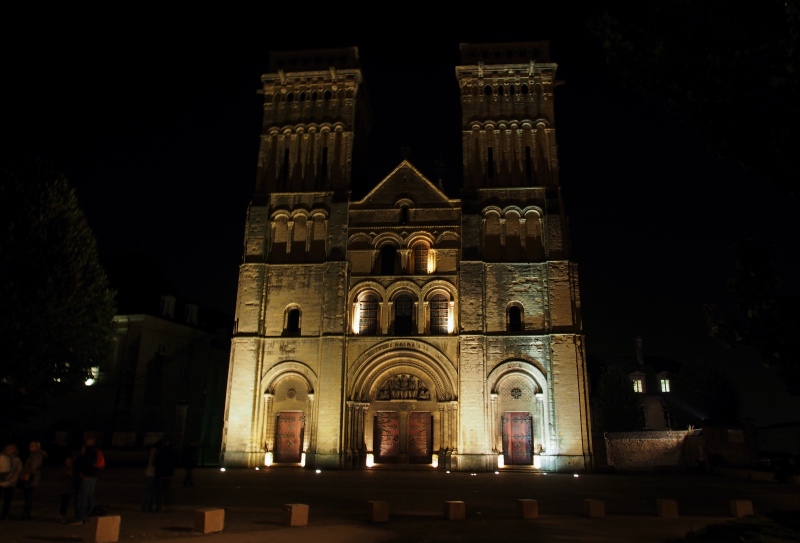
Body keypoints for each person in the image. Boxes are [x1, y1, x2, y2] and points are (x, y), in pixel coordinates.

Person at [70, 438, 101, 525]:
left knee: (83, 497)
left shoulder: (89, 451)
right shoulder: (96, 450)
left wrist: (84, 473)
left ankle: (80, 518)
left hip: (88, 476)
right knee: (90, 496)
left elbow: (86, 463)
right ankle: (90, 516)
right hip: (93, 476)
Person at [19, 440, 47, 519]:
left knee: (28, 496)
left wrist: (26, 473)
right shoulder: (33, 455)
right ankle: (26, 513)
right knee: (28, 496)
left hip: (31, 477)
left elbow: (33, 467)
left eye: (32, 446)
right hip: (32, 477)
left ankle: (26, 514)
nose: (30, 447)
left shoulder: (36, 455)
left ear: (37, 447)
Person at [0, 444, 23, 520]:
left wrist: (10, 480)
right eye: (7, 449)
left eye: (10, 449)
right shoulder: (2, 458)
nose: (8, 451)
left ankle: (5, 514)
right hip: (1, 481)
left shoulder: (16, 460)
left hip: (10, 482)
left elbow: (17, 471)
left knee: (7, 499)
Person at [153, 439, 176, 513]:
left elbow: (155, 462)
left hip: (160, 474)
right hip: (168, 474)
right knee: (167, 491)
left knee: (159, 491)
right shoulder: (172, 452)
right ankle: (168, 507)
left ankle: (158, 507)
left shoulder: (159, 451)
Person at [140, 440, 159, 512]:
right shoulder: (156, 452)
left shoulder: (149, 452)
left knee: (147, 492)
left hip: (148, 473)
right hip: (152, 474)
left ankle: (143, 507)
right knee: (150, 492)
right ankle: (147, 508)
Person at [56, 455, 76, 521]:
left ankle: (64, 514)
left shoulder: (74, 468)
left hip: (70, 488)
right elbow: (59, 477)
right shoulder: (63, 468)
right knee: (63, 502)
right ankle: (62, 515)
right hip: (63, 488)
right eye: (67, 461)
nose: (68, 462)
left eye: (69, 461)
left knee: (67, 502)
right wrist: (66, 474)